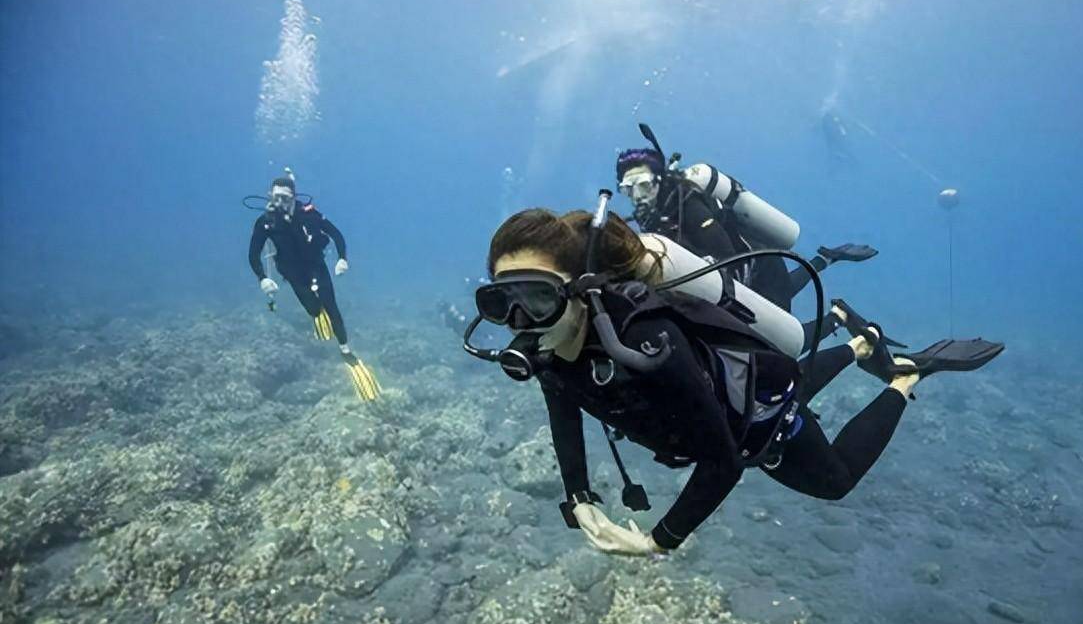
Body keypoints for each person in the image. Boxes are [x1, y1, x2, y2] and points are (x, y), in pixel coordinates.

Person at [467, 204, 1002, 556]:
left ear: (580, 290)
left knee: (834, 480)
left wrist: (659, 541)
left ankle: (906, 378)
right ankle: (860, 342)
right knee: (786, 377)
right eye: (501, 303)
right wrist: (577, 494)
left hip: (759, 426)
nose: (520, 323)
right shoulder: (555, 348)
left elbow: (723, 461)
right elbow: (562, 407)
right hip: (743, 386)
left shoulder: (647, 342)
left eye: (536, 297)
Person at [616, 143, 878, 344]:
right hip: (749, 271)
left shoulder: (688, 205)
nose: (637, 196)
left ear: (659, 180)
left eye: (643, 185)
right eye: (628, 189)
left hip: (759, 269)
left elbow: (725, 254)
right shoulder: (654, 216)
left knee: (781, 342)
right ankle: (827, 258)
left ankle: (838, 317)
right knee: (779, 296)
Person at [247, 173, 381, 401]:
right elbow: (253, 254)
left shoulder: (309, 214)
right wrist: (262, 278)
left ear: (294, 197)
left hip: (316, 266)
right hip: (292, 273)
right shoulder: (265, 222)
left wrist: (342, 258)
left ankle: (346, 351)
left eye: (285, 197)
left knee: (332, 307)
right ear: (270, 195)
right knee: (313, 308)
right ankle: (317, 314)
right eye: (276, 197)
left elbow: (336, 234)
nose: (280, 202)